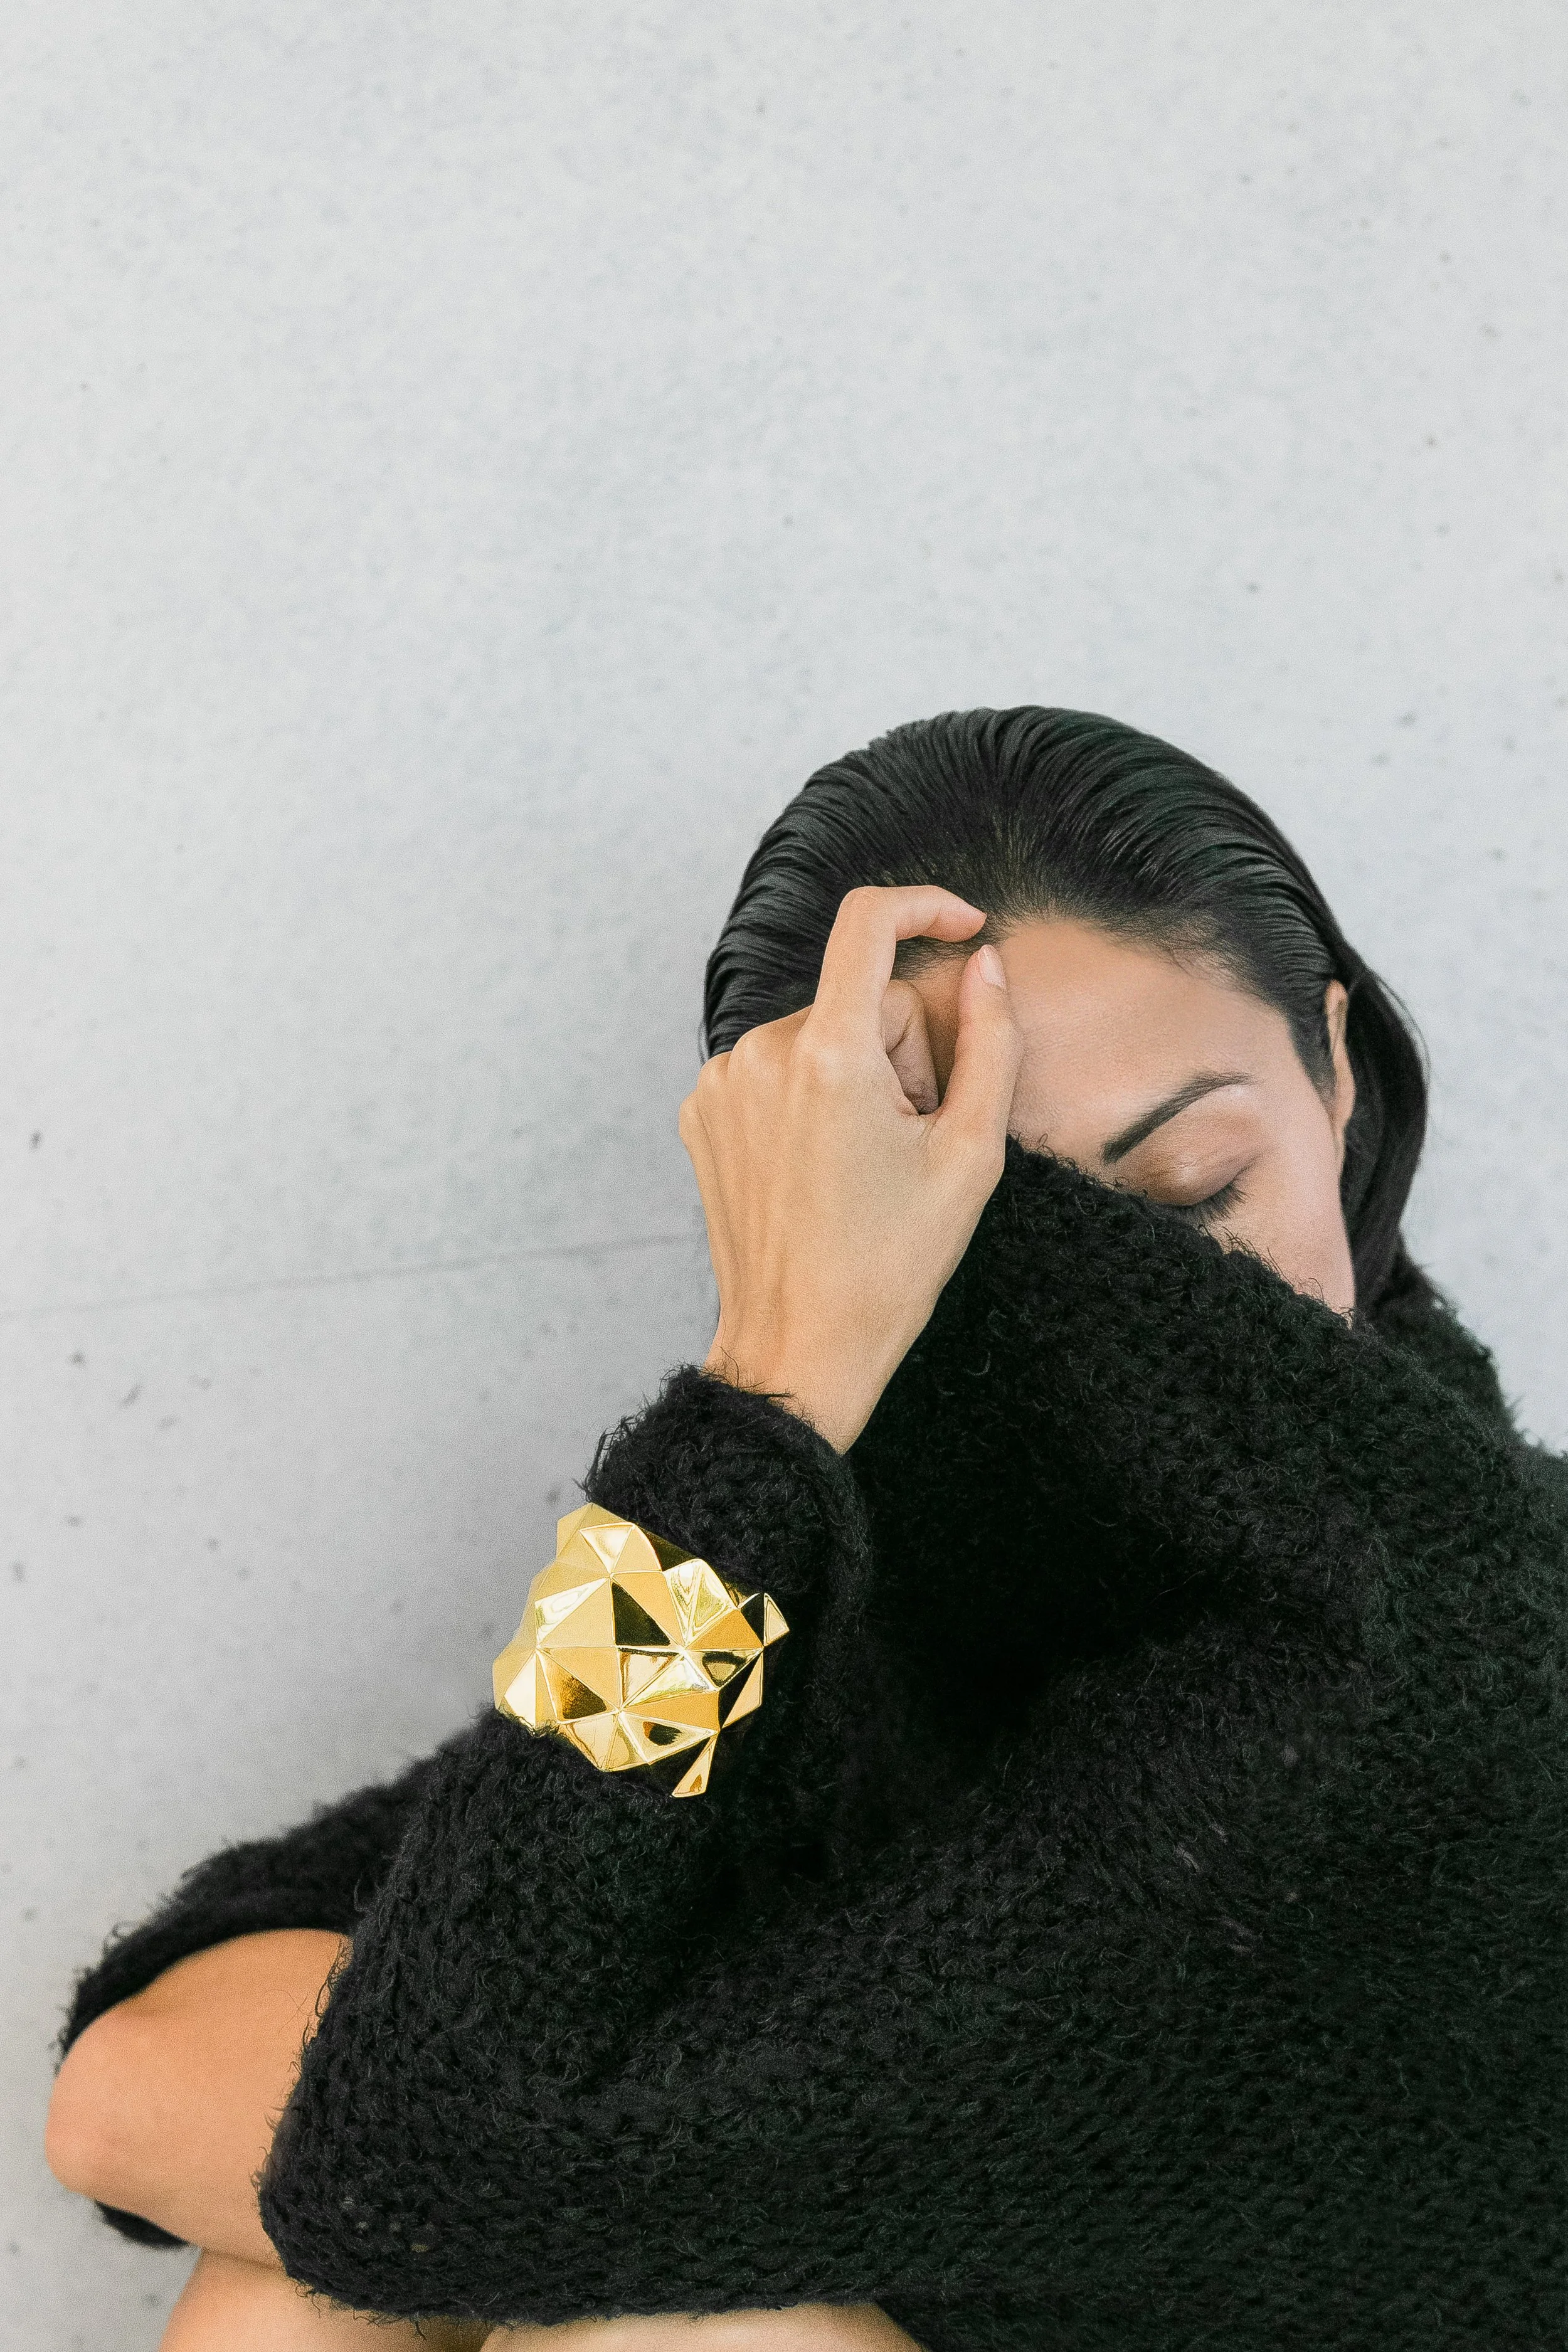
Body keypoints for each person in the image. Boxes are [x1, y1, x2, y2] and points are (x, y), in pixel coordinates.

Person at [45, 708, 1564, 2351]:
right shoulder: (894, 1587)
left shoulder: (1418, 1665)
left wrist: (762, 1399)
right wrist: (773, 1403)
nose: (1137, 1324)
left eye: (1196, 1191)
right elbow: (131, 2084)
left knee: (677, 2331)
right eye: (976, 1250)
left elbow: (423, 2138)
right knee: (304, 2279)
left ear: (1334, 1081)